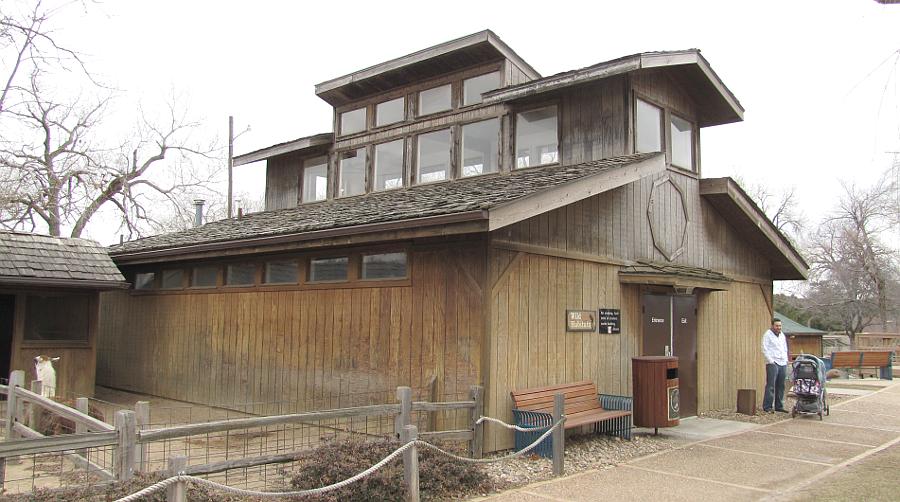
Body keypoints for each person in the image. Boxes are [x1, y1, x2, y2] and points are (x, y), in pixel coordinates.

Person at [761, 318, 789, 412]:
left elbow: (785, 348)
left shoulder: (782, 335)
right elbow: (764, 348)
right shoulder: (767, 335)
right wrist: (771, 360)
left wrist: (786, 360)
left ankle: (779, 406)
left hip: (782, 362)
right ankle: (767, 406)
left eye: (780, 326)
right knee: (771, 385)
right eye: (777, 325)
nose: (778, 327)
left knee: (781, 385)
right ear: (772, 325)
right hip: (773, 363)